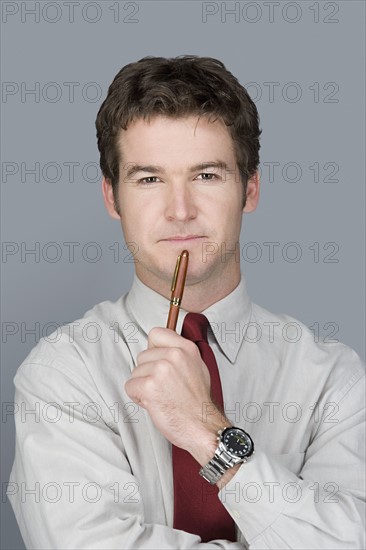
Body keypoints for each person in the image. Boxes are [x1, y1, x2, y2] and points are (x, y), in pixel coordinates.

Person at [8, 56, 365, 549]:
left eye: (207, 175)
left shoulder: (335, 382)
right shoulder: (62, 374)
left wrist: (205, 429)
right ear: (112, 198)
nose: (180, 210)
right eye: (149, 179)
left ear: (250, 188)